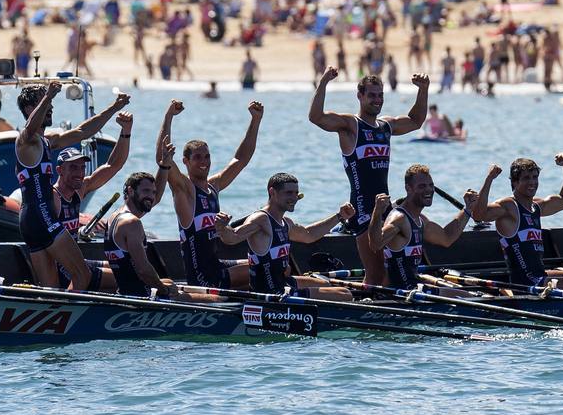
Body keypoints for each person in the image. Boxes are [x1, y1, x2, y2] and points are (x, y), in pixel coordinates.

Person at [308, 67, 428, 287]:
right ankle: (366, 306)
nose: (377, 100)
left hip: (386, 208)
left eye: (380, 95)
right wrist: (324, 81)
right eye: (372, 95)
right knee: (375, 274)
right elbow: (316, 117)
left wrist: (423, 90)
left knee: (389, 271)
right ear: (360, 96)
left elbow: (416, 120)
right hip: (362, 210)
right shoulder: (350, 126)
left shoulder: (386, 126)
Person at [160, 98, 261, 288]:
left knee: (281, 266)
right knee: (264, 268)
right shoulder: (185, 190)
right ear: (185, 161)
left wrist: (255, 120)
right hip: (203, 278)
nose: (204, 162)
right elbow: (162, 157)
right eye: (197, 158)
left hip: (218, 266)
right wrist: (168, 117)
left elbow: (241, 159)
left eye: (207, 156)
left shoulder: (214, 186)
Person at [471, 154, 563, 292]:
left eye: (535, 177)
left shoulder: (536, 206)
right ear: (514, 182)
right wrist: (489, 179)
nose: (532, 182)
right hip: (527, 283)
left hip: (540, 275)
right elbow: (479, 215)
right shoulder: (509, 207)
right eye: (526, 178)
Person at [213, 173, 355, 300]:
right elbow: (233, 237)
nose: (294, 198)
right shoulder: (261, 219)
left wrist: (340, 216)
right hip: (272, 294)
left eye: (296, 193)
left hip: (283, 282)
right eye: (288, 193)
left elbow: (308, 235)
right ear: (272, 192)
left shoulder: (285, 222)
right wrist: (221, 227)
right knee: (345, 294)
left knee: (325, 283)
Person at [12, 81, 94, 290]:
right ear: (30, 109)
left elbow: (82, 132)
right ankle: (71, 319)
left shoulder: (47, 141)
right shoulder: (25, 141)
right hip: (42, 218)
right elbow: (30, 129)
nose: (51, 108)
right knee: (83, 274)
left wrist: (114, 108)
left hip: (31, 222)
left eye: (50, 103)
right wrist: (48, 96)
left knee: (51, 289)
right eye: (44, 103)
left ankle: (55, 319)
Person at [367, 165, 476, 289]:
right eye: (422, 186)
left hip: (415, 285)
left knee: (467, 293)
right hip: (401, 292)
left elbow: (446, 238)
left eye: (431, 185)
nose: (428, 190)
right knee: (464, 295)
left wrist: (467, 209)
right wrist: (377, 212)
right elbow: (375, 244)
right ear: (408, 188)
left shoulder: (420, 219)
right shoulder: (399, 218)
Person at [102, 164, 183, 299]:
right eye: (146, 191)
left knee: (169, 282)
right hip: (140, 296)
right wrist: (163, 290)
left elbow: (154, 199)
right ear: (131, 191)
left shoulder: (115, 217)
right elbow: (143, 270)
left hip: (125, 291)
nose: (151, 197)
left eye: (153, 192)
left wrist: (163, 167)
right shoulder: (132, 223)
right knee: (215, 299)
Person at [53, 109, 133, 240]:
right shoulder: (53, 197)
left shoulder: (80, 189)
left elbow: (114, 165)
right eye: (73, 167)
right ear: (59, 170)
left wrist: (126, 131)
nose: (79, 173)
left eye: (82, 167)